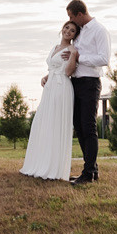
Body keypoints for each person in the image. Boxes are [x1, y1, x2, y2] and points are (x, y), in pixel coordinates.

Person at [19, 21, 79, 181]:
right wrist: (45, 77)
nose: (68, 31)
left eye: (72, 31)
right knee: (42, 122)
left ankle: (54, 168)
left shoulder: (72, 50)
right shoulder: (55, 47)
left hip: (61, 88)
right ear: (62, 28)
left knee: (55, 123)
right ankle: (39, 163)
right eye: (67, 28)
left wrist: (73, 54)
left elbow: (68, 71)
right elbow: (53, 68)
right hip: (50, 87)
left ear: (75, 35)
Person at [65, 0, 110, 185]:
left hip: (90, 83)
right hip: (75, 83)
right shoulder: (80, 33)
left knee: (89, 127)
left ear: (80, 14)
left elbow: (104, 58)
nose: (69, 20)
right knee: (79, 127)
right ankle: (92, 169)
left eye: (71, 16)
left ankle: (88, 172)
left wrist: (80, 57)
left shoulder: (100, 31)